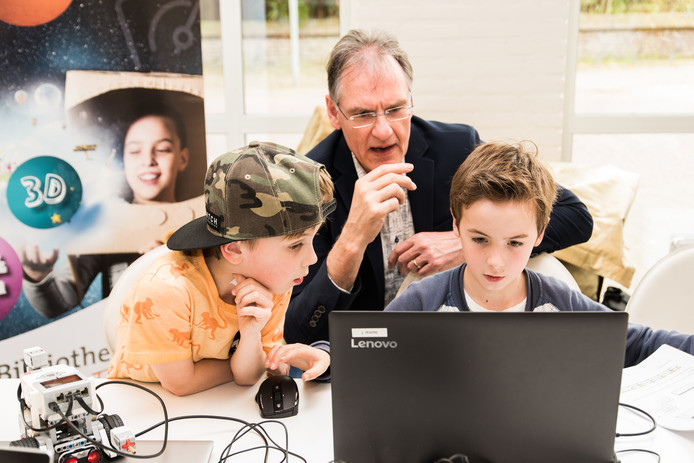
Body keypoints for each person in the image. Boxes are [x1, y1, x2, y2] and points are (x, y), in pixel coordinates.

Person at [284, 29, 594, 345]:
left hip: (456, 338)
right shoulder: (309, 182)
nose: (383, 130)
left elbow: (575, 216)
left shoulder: (455, 147)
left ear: (412, 101)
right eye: (363, 114)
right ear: (334, 112)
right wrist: (352, 240)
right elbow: (299, 330)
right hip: (367, 349)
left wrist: (464, 242)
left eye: (394, 109)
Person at [385, 141, 694, 367]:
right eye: (480, 239)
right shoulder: (421, 301)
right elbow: (360, 347)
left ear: (540, 233)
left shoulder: (562, 304)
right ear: (456, 225)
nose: (495, 261)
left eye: (515, 243)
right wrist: (332, 349)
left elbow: (637, 343)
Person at [107, 141, 336, 395]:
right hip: (141, 404)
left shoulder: (276, 281)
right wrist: (243, 365)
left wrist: (250, 337)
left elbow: (249, 377)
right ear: (235, 249)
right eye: (295, 246)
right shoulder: (165, 290)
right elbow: (180, 384)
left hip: (219, 404)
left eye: (311, 240)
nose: (312, 258)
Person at [21, 103, 191, 318]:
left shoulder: (201, 226)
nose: (148, 160)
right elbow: (59, 302)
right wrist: (38, 276)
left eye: (163, 149)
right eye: (135, 151)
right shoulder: (106, 224)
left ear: (183, 158)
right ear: (125, 160)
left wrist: (175, 270)